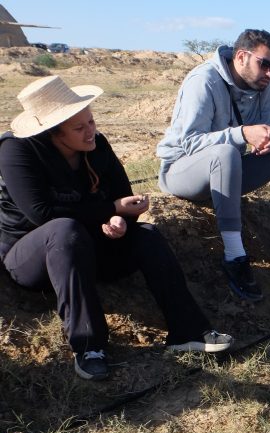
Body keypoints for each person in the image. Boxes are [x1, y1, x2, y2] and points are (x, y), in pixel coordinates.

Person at [0, 76, 232, 380]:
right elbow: (41, 213)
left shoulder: (97, 145)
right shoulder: (16, 151)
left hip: (89, 245)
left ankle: (187, 331)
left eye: (92, 122)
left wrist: (122, 218)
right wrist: (110, 209)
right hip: (32, 257)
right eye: (79, 128)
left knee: (146, 236)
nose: (90, 132)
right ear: (52, 134)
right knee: (63, 229)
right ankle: (89, 346)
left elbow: (121, 195)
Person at [157, 28, 270, 302]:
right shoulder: (203, 81)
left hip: (228, 170)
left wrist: (265, 143)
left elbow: (264, 128)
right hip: (181, 172)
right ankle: (234, 256)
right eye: (264, 64)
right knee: (226, 152)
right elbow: (190, 142)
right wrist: (242, 134)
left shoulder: (263, 85)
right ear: (241, 57)